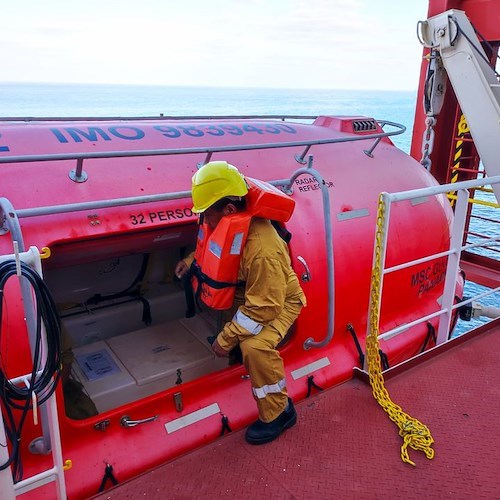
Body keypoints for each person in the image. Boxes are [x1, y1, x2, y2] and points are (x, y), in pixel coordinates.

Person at [175, 161, 306, 445]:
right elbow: (214, 249)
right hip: (250, 293)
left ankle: (279, 412)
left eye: (207, 214)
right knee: (231, 322)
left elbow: (264, 308)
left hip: (279, 300)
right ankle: (234, 350)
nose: (205, 221)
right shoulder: (228, 223)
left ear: (230, 210)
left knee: (254, 346)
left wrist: (226, 339)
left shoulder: (263, 250)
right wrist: (190, 262)